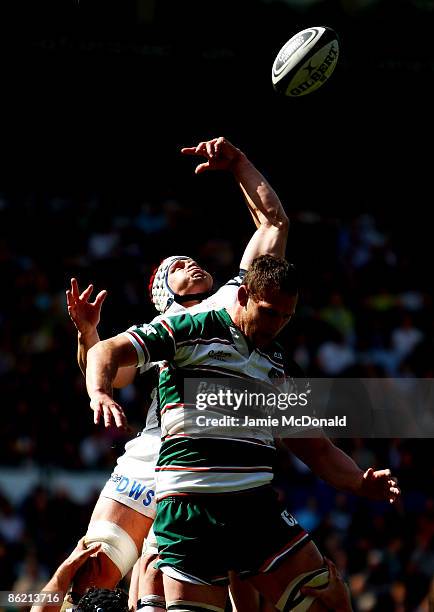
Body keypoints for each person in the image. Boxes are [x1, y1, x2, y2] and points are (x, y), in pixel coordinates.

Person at [85, 255, 400, 612]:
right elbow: (106, 350)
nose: (276, 324)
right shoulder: (191, 328)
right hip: (191, 514)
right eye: (268, 312)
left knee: (330, 601)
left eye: (286, 316)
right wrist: (100, 392)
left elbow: (315, 448)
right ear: (244, 295)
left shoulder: (276, 362)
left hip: (255, 509)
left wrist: (359, 481)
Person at [65, 136, 290, 610]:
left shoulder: (236, 295)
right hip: (153, 456)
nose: (189, 262)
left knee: (200, 595)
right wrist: (88, 334)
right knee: (89, 576)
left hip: (217, 467)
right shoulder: (161, 328)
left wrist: (240, 165)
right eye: (175, 267)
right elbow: (111, 371)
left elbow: (272, 222)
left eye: (190, 258)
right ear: (162, 295)